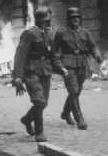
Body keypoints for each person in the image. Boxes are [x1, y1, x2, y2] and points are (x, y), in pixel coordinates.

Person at [12, 8, 68, 142]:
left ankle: (27, 119)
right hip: (31, 72)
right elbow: (20, 55)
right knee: (39, 101)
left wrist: (61, 69)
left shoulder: (50, 34)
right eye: (46, 20)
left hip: (45, 71)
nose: (48, 23)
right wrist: (18, 76)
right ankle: (39, 132)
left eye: (49, 21)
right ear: (40, 20)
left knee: (44, 103)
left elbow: (53, 55)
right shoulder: (29, 34)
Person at [53, 7, 102, 130]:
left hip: (81, 65)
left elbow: (92, 46)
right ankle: (79, 118)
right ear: (68, 20)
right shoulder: (61, 33)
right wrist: (59, 66)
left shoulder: (85, 33)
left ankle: (65, 113)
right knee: (74, 91)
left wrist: (97, 55)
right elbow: (54, 52)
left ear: (80, 19)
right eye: (72, 18)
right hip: (68, 65)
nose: (75, 20)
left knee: (76, 91)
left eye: (77, 18)